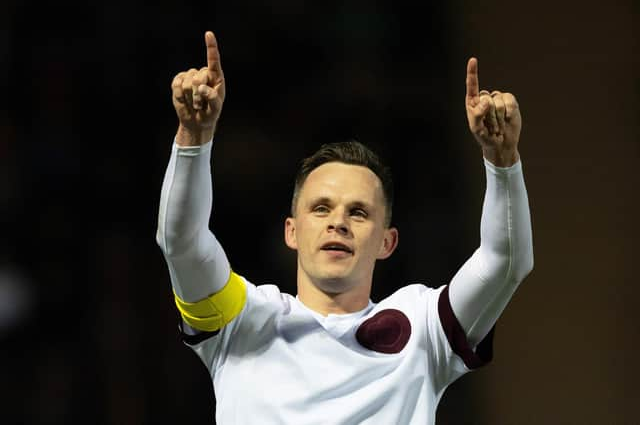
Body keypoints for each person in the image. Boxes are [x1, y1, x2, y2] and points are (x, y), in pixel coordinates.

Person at [156, 31, 533, 425]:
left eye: (358, 213)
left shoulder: (425, 329)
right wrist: (194, 138)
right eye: (321, 208)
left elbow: (505, 262)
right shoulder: (241, 319)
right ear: (291, 231)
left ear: (387, 242)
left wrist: (502, 161)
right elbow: (181, 241)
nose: (338, 222)